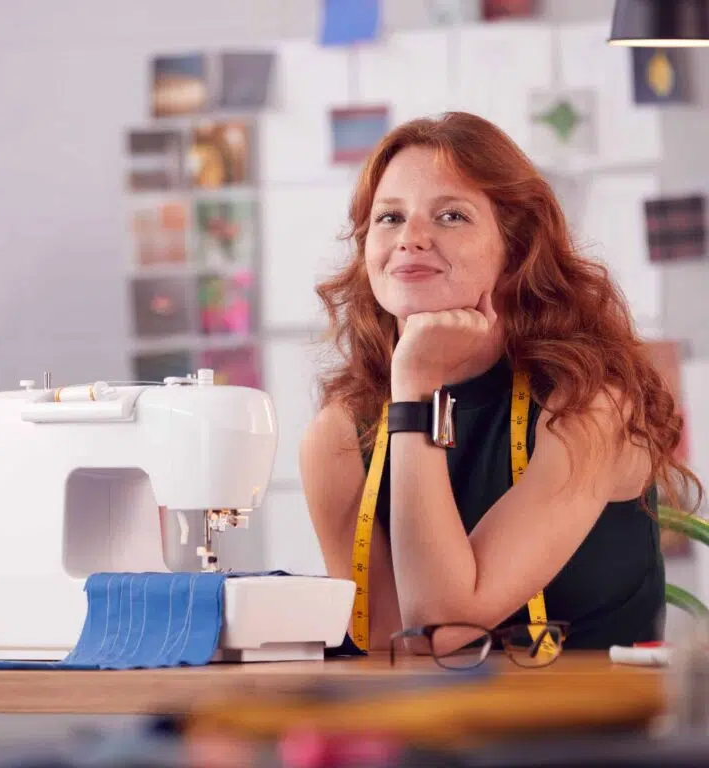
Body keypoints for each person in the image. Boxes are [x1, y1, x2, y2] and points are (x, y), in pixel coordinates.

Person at [299, 111, 702, 653]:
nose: (410, 239)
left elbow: (442, 626)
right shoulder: (342, 434)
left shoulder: (588, 408)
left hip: (595, 734)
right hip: (435, 733)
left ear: (516, 250)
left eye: (451, 217)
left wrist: (418, 387)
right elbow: (396, 649)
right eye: (389, 218)